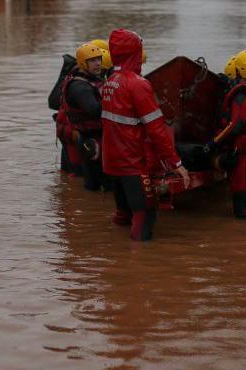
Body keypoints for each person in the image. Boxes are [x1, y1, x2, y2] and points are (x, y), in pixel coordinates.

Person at [101, 29, 189, 241]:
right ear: (136, 52)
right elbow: (157, 131)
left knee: (123, 215)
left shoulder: (109, 81)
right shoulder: (138, 85)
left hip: (111, 163)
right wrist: (177, 164)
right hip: (133, 164)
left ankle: (113, 260)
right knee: (144, 217)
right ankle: (137, 268)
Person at [204, 50, 246, 219]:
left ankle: (243, 242)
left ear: (240, 70)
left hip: (245, 155)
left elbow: (235, 126)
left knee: (242, 210)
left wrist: (212, 144)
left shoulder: (242, 94)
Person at [61, 43, 106, 191]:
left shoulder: (91, 78)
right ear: (82, 63)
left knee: (96, 185)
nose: (98, 63)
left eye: (99, 59)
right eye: (93, 60)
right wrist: (115, 98)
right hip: (90, 140)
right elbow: (95, 110)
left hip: (94, 137)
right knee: (95, 185)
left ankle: (90, 210)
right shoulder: (79, 87)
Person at [49, 51, 79, 173]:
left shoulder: (70, 75)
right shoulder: (79, 80)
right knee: (75, 172)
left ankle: (66, 189)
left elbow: (53, 102)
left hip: (64, 129)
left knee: (67, 172)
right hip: (71, 131)